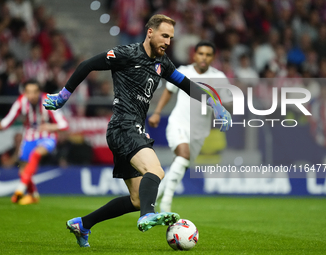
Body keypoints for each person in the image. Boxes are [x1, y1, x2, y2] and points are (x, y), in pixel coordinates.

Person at [43, 14, 231, 248]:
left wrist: (215, 104)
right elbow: (87, 65)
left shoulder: (163, 64)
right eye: (164, 36)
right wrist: (64, 95)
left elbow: (188, 86)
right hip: (123, 126)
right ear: (150, 33)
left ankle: (83, 224)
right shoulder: (126, 54)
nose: (168, 42)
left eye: (171, 38)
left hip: (130, 130)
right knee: (156, 170)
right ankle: (147, 215)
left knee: (136, 199)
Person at [148, 40, 232, 212]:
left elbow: (228, 103)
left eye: (208, 55)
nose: (204, 58)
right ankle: (166, 204)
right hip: (178, 123)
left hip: (200, 133)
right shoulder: (183, 72)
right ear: (194, 55)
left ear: (213, 57)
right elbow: (169, 91)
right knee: (183, 155)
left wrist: (223, 110)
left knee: (180, 164)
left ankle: (154, 198)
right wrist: (157, 112)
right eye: (201, 53)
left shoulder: (219, 78)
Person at [0, 79, 68, 205]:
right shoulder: (21, 101)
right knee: (23, 170)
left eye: (34, 92)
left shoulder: (49, 100)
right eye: (28, 92)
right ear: (25, 92)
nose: (31, 95)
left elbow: (64, 124)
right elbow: (6, 122)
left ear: (39, 92)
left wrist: (50, 127)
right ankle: (33, 195)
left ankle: (20, 189)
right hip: (29, 137)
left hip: (47, 136)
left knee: (35, 154)